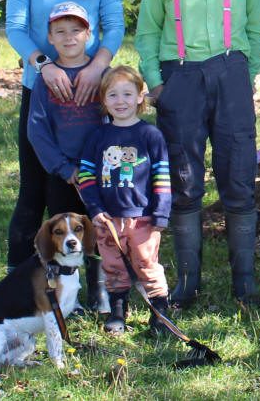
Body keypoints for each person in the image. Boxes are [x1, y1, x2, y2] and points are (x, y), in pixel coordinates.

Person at [135, 0, 260, 307]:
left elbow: (255, 26)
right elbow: (148, 30)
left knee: (239, 172)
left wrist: (245, 72)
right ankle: (188, 282)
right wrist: (157, 82)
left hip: (231, 72)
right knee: (184, 177)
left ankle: (244, 282)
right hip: (181, 76)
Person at [4, 0, 124, 309]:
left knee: (90, 192)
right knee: (35, 192)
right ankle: (20, 286)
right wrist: (44, 65)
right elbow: (15, 26)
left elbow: (114, 24)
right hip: (43, 90)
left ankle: (98, 291)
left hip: (91, 91)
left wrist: (96, 67)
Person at [26, 2, 109, 311]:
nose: (69, 37)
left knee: (99, 231)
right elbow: (37, 130)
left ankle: (101, 295)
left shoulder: (103, 76)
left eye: (76, 30)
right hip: (63, 172)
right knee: (65, 235)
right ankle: (65, 297)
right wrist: (62, 167)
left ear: (89, 34)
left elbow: (117, 121)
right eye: (60, 31)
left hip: (101, 174)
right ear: (50, 36)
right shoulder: (45, 80)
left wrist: (103, 167)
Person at [78, 66, 171, 334]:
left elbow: (162, 176)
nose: (121, 101)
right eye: (113, 95)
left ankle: (159, 312)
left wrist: (161, 213)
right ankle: (118, 311)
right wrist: (94, 209)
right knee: (113, 265)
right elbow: (86, 175)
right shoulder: (98, 137)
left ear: (140, 97)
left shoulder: (150, 135)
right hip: (107, 218)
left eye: (127, 94)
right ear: (103, 100)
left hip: (143, 216)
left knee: (146, 263)